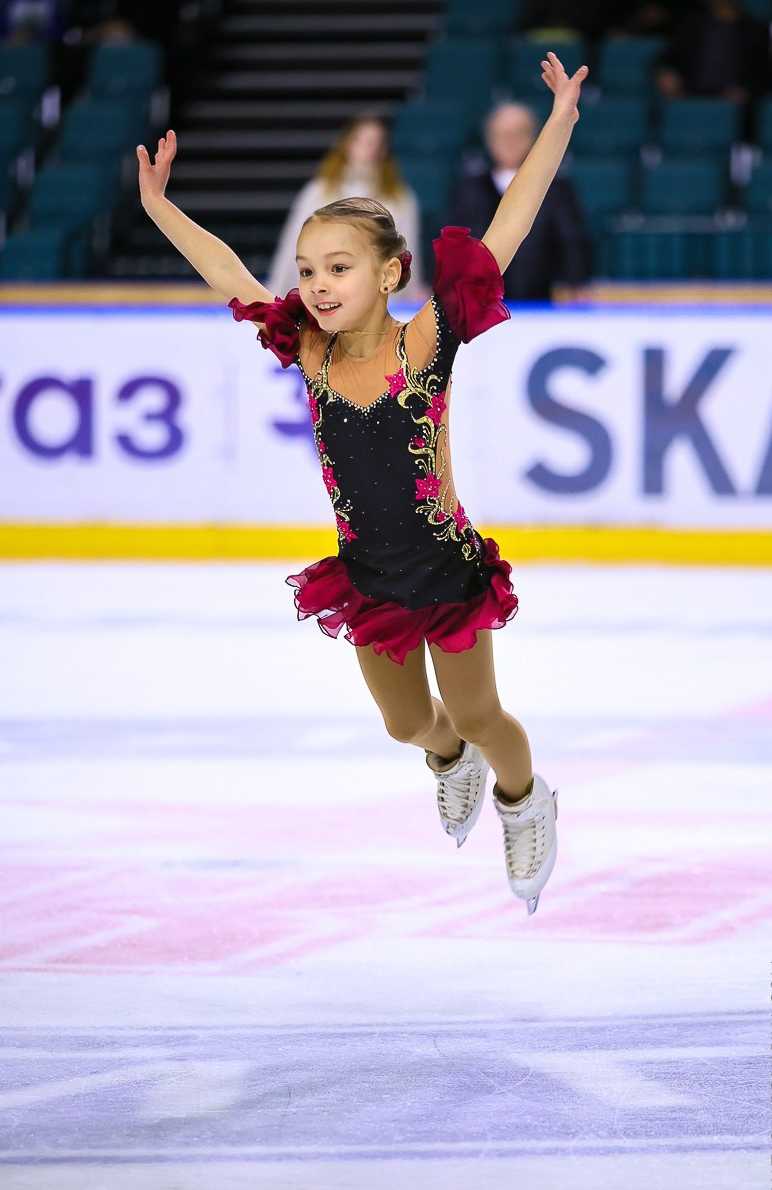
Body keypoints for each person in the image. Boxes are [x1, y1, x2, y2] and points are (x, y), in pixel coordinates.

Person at [136, 51, 589, 912]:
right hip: (371, 576)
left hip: (446, 576)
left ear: (389, 274)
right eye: (307, 271)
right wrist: (161, 207)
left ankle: (525, 802)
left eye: (336, 268)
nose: (315, 285)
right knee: (408, 725)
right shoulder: (309, 350)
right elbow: (232, 276)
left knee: (483, 715)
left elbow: (510, 223)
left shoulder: (426, 343)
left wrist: (560, 120)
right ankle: (446, 761)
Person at [269, 115, 425, 301]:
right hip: (321, 297)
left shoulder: (399, 199)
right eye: (362, 140)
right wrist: (275, 293)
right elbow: (292, 248)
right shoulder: (318, 193)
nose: (370, 149)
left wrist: (408, 296)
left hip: (376, 301)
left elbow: (406, 252)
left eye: (377, 142)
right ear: (346, 143)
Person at [450, 101, 591, 302]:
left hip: (539, 298)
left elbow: (570, 237)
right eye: (502, 135)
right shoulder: (469, 187)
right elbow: (454, 238)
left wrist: (577, 282)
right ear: (489, 140)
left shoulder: (555, 186)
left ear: (533, 138)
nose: (510, 142)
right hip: (479, 301)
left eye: (518, 134)